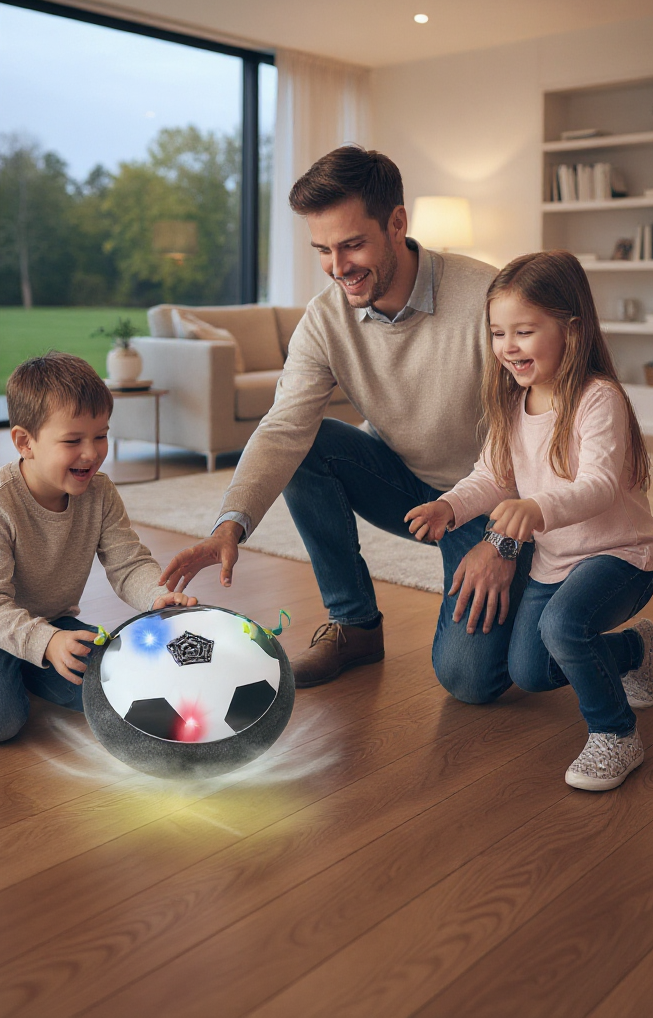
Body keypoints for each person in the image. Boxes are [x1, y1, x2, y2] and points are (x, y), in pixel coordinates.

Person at [160, 145, 533, 701]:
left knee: (470, 680)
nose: (338, 268)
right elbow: (284, 427)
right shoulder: (325, 319)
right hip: (407, 488)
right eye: (323, 250)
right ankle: (354, 626)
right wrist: (229, 525)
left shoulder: (489, 298)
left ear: (397, 224)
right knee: (311, 444)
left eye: (353, 244)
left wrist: (502, 546)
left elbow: (546, 435)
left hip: (493, 502)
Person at [407, 251, 653, 790]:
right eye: (499, 333)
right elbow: (492, 476)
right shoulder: (509, 404)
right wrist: (451, 506)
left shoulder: (598, 398)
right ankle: (634, 649)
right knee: (529, 670)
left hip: (619, 555)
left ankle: (616, 734)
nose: (508, 347)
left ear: (571, 329)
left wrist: (538, 507)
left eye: (524, 331)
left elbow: (600, 484)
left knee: (562, 626)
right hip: (556, 563)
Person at [0, 351, 197, 742]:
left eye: (101, 435)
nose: (92, 452)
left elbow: (128, 563)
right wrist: (46, 642)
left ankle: (18, 665)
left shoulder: (100, 493)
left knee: (115, 688)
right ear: (24, 442)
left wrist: (158, 596)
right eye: (73, 441)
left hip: (48, 620)